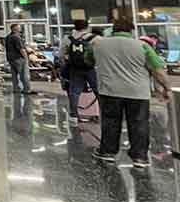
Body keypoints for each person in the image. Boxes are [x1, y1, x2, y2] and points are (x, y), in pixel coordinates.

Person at [90, 12, 170, 168]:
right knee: (139, 124)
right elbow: (158, 70)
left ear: (113, 29)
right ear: (131, 30)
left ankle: (108, 152)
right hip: (137, 93)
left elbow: (88, 59)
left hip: (109, 91)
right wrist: (166, 87)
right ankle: (140, 157)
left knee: (111, 122)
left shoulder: (98, 44)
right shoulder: (143, 46)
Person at [59, 18, 98, 119]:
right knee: (98, 90)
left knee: (74, 92)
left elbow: (61, 55)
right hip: (90, 68)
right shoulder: (95, 38)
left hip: (75, 69)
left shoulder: (68, 38)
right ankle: (104, 111)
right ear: (87, 27)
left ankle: (74, 114)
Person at [5, 24, 34, 94]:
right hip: (19, 58)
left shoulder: (8, 37)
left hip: (11, 59)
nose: (20, 28)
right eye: (19, 27)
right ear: (15, 29)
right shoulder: (16, 37)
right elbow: (21, 49)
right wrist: (26, 58)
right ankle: (27, 89)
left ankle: (16, 88)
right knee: (23, 74)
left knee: (14, 75)